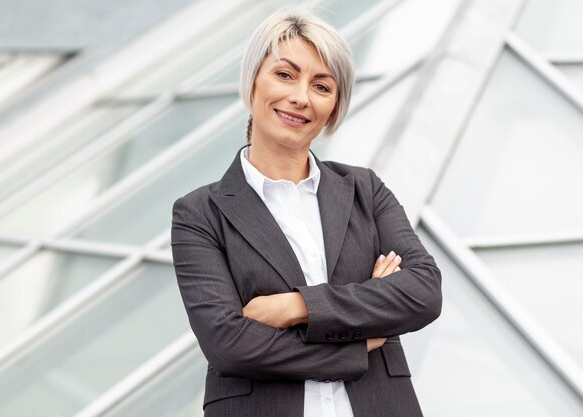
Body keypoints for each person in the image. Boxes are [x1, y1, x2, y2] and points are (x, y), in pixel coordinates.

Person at [171, 8, 442, 417]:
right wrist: (363, 339)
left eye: (322, 86)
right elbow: (231, 346)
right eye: (285, 75)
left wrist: (295, 307)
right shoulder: (200, 214)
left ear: (334, 106)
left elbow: (422, 291)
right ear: (252, 81)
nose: (300, 97)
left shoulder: (365, 190)